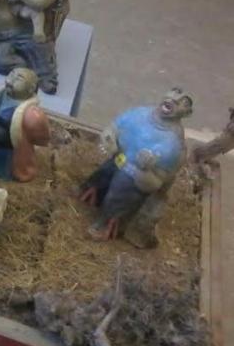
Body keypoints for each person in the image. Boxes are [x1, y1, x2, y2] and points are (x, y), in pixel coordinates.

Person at [79, 88, 193, 247]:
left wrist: (145, 170)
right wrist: (109, 138)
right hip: (119, 155)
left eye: (182, 101)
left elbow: (157, 182)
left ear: (185, 113)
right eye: (174, 93)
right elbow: (114, 126)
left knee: (120, 189)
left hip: (135, 174)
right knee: (104, 173)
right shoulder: (140, 113)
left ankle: (105, 223)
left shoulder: (172, 143)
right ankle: (91, 194)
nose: (175, 99)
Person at [0, 68, 51, 182]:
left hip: (6, 145)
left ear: (31, 88)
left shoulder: (29, 112)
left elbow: (40, 135)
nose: (12, 80)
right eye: (12, 74)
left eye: (19, 78)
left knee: (0, 167)